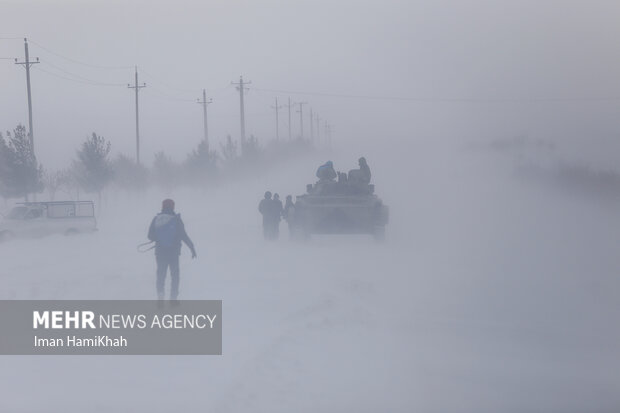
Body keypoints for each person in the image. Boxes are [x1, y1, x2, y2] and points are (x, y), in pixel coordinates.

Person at [147, 199, 196, 302]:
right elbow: (184, 236)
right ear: (173, 207)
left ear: (162, 206)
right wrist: (192, 248)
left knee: (161, 275)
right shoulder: (176, 220)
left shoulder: (157, 219)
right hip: (174, 253)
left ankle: (160, 295)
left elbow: (150, 235)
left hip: (160, 253)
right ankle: (173, 298)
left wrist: (159, 238)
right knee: (175, 276)